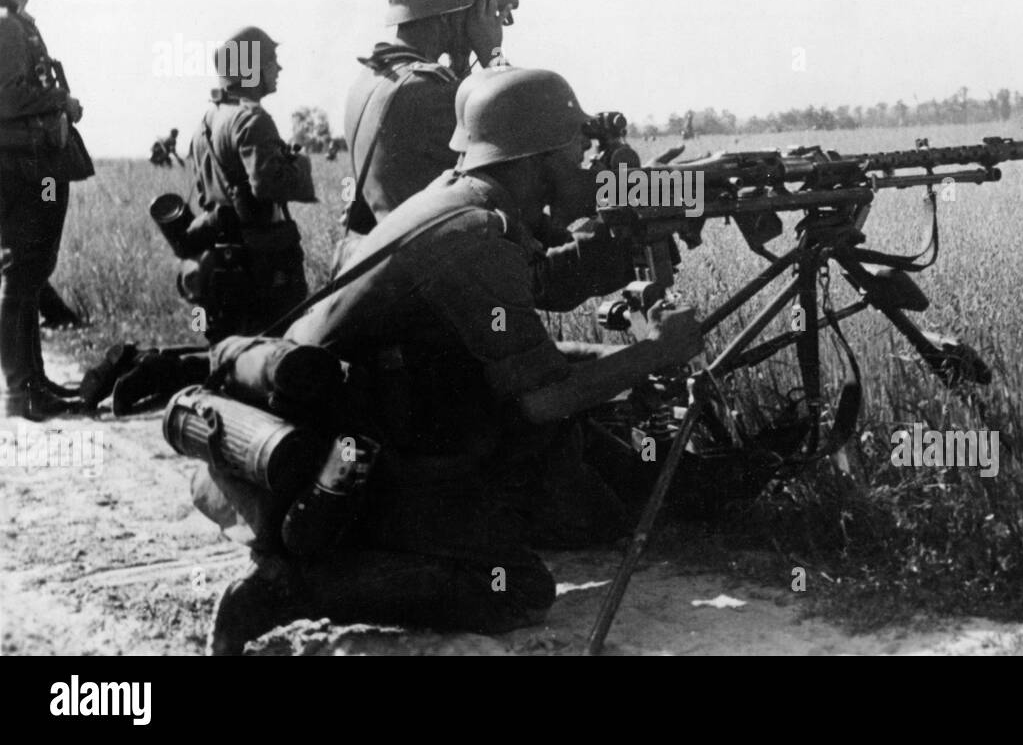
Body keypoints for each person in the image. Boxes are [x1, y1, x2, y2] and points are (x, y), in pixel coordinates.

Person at [205, 67, 702, 655]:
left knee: (582, 506)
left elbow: (534, 283)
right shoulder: (474, 235)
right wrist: (654, 353)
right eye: (578, 148)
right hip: (348, 470)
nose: (589, 164)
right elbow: (543, 399)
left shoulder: (460, 194)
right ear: (534, 157)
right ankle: (293, 587)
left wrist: (621, 243)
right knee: (516, 588)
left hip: (375, 427)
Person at [335, 0, 513, 267]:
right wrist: (493, 53)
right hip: (428, 277)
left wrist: (460, 60)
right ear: (446, 17)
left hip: (383, 264)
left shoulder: (372, 80)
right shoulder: (427, 91)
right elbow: (519, 143)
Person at [0, 0, 93, 420]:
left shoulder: (16, 23)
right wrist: (62, 100)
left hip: (34, 164)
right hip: (25, 167)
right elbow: (9, 97)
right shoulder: (7, 26)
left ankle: (31, 384)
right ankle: (22, 391)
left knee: (31, 274)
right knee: (23, 275)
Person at [187, 27, 315, 341]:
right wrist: (301, 162)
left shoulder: (206, 123)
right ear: (251, 68)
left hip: (222, 263)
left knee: (232, 354)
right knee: (280, 354)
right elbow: (269, 185)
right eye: (272, 59)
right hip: (263, 264)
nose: (279, 68)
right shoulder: (252, 120)